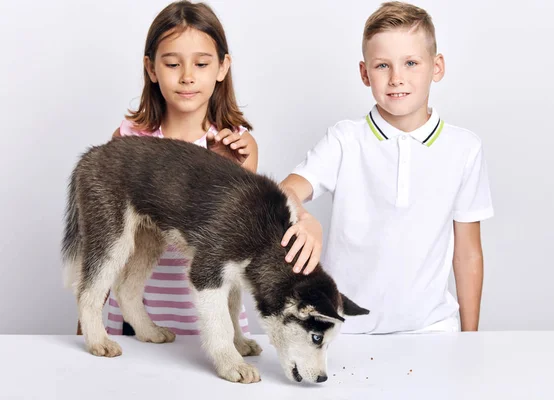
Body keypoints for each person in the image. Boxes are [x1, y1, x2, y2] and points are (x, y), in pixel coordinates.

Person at [280, 1, 494, 334]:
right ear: (365, 73)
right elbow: (286, 191)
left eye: (411, 63)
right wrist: (306, 219)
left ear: (436, 67)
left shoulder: (464, 148)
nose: (397, 78)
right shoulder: (345, 140)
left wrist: (470, 338)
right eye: (382, 65)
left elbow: (467, 255)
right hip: (345, 330)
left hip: (433, 331)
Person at [98, 0, 258, 338]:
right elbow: (108, 233)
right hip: (135, 318)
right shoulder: (129, 139)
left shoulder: (238, 145)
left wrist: (222, 170)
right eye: (172, 64)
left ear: (222, 67)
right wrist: (88, 318)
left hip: (214, 323)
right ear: (152, 68)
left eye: (201, 63)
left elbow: (233, 238)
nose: (187, 77)